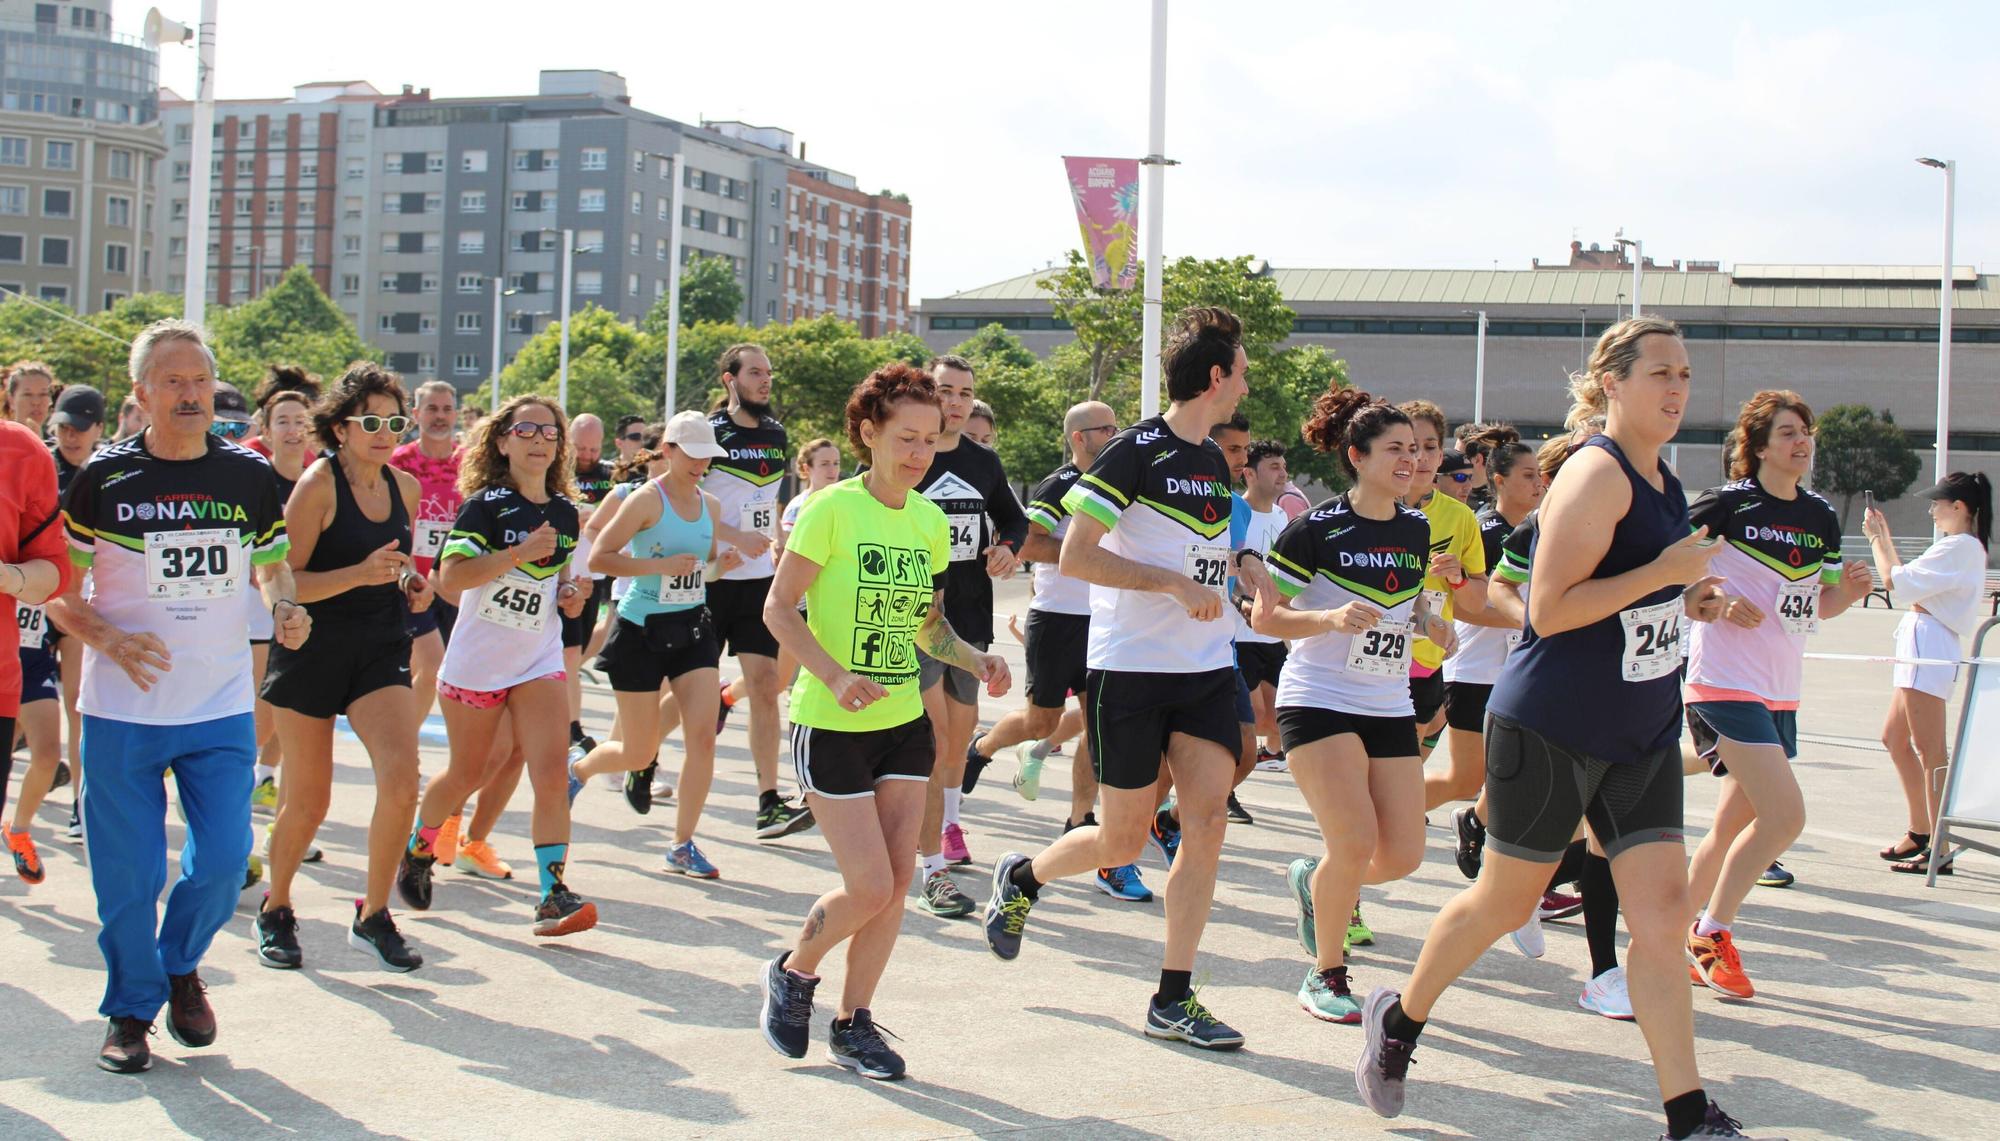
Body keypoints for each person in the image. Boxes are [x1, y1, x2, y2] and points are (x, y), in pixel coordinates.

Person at [1353, 316, 1781, 1141]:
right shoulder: (1595, 472)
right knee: (1501, 899)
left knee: (1660, 918)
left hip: (1641, 728)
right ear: (1611, 381)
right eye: (1660, 372)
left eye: (1685, 374)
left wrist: (1689, 599)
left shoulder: (1663, 478)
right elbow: (1548, 610)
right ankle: (1400, 1019)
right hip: (1552, 725)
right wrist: (1662, 573)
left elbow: (1631, 596)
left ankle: (1687, 1114)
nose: (1677, 388)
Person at [980, 306, 1258, 1050]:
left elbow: (1203, 552)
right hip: (1128, 672)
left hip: (1201, 671)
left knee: (1206, 821)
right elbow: (1074, 556)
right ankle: (1027, 875)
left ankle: (1174, 995)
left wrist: (1230, 580)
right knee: (1121, 841)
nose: (1245, 386)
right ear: (1214, 376)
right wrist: (1170, 584)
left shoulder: (1209, 461)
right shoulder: (1135, 452)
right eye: (1240, 372)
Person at [48, 319, 308, 1075]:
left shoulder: (249, 477)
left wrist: (285, 605)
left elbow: (272, 566)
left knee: (226, 858)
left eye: (199, 380)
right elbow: (59, 589)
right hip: (123, 707)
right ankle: (129, 1012)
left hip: (220, 702)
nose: (191, 394)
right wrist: (108, 638)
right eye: (173, 382)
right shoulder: (103, 477)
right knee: (127, 876)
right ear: (142, 393)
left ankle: (179, 965)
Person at [758, 361, 1010, 1080]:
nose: (918, 453)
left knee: (898, 882)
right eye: (905, 437)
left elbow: (928, 627)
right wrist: (833, 674)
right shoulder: (830, 509)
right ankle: (795, 969)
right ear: (868, 433)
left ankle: (853, 1021)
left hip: (904, 720)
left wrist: (975, 655)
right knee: (868, 885)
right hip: (831, 723)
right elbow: (779, 607)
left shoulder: (930, 521)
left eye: (930, 440)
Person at [1251, 389, 1446, 1024]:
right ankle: (1326, 974)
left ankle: (1317, 880)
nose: (1411, 461)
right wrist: (1330, 616)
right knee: (1355, 840)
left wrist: (1431, 621)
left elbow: (1406, 601)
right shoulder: (1316, 528)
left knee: (1404, 855)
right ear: (1357, 458)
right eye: (1396, 450)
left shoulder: (1416, 527)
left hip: (1387, 700)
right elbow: (1266, 616)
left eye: (1415, 451)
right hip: (1319, 700)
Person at [1680, 392, 1873, 998]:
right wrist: (1710, 598)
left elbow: (1818, 604)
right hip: (1722, 681)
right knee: (1784, 816)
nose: (1801, 441)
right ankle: (1711, 933)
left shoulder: (1819, 515)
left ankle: (1662, 936)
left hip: (1781, 691)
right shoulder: (1727, 503)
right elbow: (1667, 566)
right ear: (1758, 446)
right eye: (1788, 432)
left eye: (1806, 431)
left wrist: (1852, 594)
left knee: (1733, 822)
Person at [255, 365, 431, 972]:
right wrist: (359, 574)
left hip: (380, 645)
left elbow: (399, 562)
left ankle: (374, 915)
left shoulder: (405, 488)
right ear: (340, 427)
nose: (386, 433)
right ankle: (276, 908)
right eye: (372, 422)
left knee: (403, 777)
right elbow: (288, 582)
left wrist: (413, 585)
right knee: (308, 800)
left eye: (394, 421)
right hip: (311, 646)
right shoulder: (317, 486)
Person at [397, 395, 593, 938]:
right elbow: (450, 579)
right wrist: (516, 554)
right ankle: (418, 847)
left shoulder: (563, 512)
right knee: (468, 774)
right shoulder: (484, 507)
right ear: (502, 441)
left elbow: (559, 586)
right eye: (525, 430)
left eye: (549, 432)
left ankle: (553, 893)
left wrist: (572, 594)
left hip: (537, 657)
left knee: (551, 773)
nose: (538, 440)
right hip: (477, 665)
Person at [965, 401, 1151, 901]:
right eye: (1104, 428)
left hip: (1106, 625)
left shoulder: (1123, 483)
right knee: (1040, 724)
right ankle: (981, 748)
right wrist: (1086, 555)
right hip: (1057, 620)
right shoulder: (1060, 484)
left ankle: (1080, 820)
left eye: (1118, 426)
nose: (1115, 434)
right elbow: (1029, 543)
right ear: (1078, 438)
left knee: (1099, 727)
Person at [568, 411, 743, 876]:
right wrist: (656, 568)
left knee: (702, 739)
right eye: (692, 454)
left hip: (692, 631)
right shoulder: (646, 500)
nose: (700, 464)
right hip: (640, 632)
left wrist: (720, 564)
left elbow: (700, 569)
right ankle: (580, 771)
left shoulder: (711, 505)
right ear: (668, 450)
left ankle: (682, 843)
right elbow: (602, 555)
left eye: (708, 456)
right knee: (638, 752)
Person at [912, 354, 1025, 915]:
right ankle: (930, 863)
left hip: (971, 616)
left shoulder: (983, 463)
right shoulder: (911, 458)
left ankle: (944, 826)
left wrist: (1007, 548)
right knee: (935, 740)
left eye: (964, 392)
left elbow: (1016, 519)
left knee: (957, 740)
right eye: (945, 390)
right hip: (915, 618)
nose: (954, 401)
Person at [703, 344, 814, 839]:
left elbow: (764, 500)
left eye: (769, 372)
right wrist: (729, 539)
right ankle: (643, 757)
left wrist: (775, 543)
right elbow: (682, 502)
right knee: (692, 693)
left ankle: (768, 799)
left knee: (768, 686)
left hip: (756, 583)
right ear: (730, 380)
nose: (765, 381)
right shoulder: (707, 433)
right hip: (708, 580)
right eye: (755, 373)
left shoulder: (775, 433)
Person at [1865, 469, 1992, 875]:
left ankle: (1940, 841)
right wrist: (1883, 539)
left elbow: (1893, 581)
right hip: (1921, 638)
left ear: (1959, 507)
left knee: (1930, 748)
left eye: (1938, 504)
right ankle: (1922, 831)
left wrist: (1876, 541)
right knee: (1895, 738)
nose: (1933, 511)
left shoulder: (1960, 547)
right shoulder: (1957, 547)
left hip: (1930, 642)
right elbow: (1904, 582)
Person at [1435, 436, 1540, 816]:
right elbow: (1463, 608)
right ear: (1498, 479)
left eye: (1540, 475)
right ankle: (1386, 815)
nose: (1538, 483)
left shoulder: (1540, 529)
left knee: (1524, 771)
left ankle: (1480, 830)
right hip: (1475, 669)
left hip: (1520, 668)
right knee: (1466, 778)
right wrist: (1531, 622)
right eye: (1527, 475)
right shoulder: (1486, 530)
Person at [1, 417, 68, 884]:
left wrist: (9, 578)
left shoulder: (20, 451)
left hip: (12, 667)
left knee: (47, 750)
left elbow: (56, 571)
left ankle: (19, 829)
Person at [249, 392, 313, 821]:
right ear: (267, 432)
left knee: (292, 715)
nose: (292, 430)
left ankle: (274, 798)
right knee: (261, 715)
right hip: (254, 610)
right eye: (283, 422)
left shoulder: (319, 481)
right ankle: (235, 788)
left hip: (306, 611)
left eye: (300, 421)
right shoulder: (254, 481)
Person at [391, 380, 463, 726]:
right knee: (432, 664)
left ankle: (399, 739)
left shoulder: (470, 466)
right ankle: (404, 746)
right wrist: (405, 574)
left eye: (447, 409)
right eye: (432, 409)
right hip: (410, 583)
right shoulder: (398, 463)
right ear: (416, 414)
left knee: (426, 669)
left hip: (452, 582)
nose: (440, 417)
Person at [1236, 439, 1292, 768]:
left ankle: (1257, 753)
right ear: (1250, 474)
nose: (1282, 473)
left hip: (1272, 634)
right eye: (1273, 467)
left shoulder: (1283, 515)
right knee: (1254, 716)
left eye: (1283, 466)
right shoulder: (1237, 514)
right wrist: (1242, 601)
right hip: (1240, 633)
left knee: (1274, 721)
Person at [562, 412, 615, 751]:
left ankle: (563, 713)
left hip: (593, 576)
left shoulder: (609, 476)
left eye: (593, 449)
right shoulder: (557, 472)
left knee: (580, 649)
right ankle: (571, 726)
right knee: (568, 654)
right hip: (561, 575)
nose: (587, 456)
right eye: (581, 448)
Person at [1, 361, 55, 437]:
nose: (36, 402)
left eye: (43, 394)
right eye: (27, 395)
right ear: (11, 400)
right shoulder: (3, 441)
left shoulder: (62, 446)